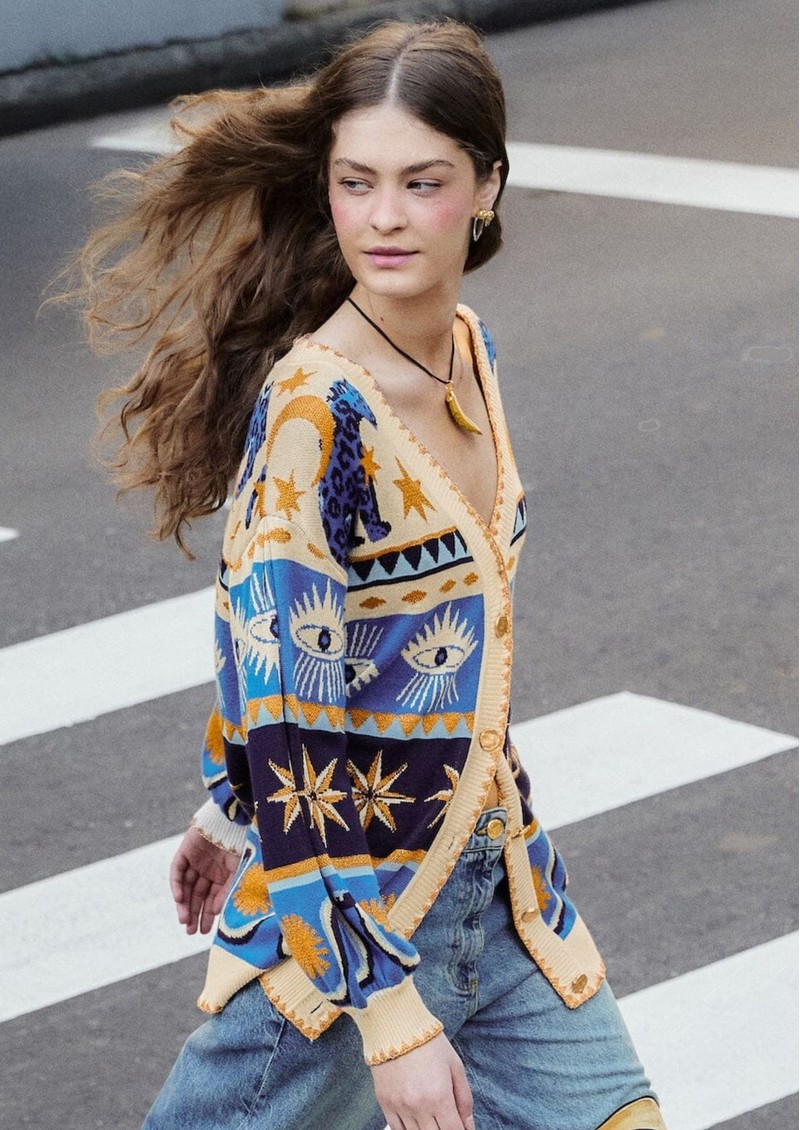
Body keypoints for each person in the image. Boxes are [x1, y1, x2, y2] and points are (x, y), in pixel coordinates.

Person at [70, 19, 668, 1130]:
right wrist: (384, 1007)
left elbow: (333, 640)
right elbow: (284, 681)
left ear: (486, 188)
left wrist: (228, 805)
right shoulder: (317, 413)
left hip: (498, 887)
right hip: (356, 920)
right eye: (356, 182)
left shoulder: (467, 350)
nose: (384, 216)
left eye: (422, 182)